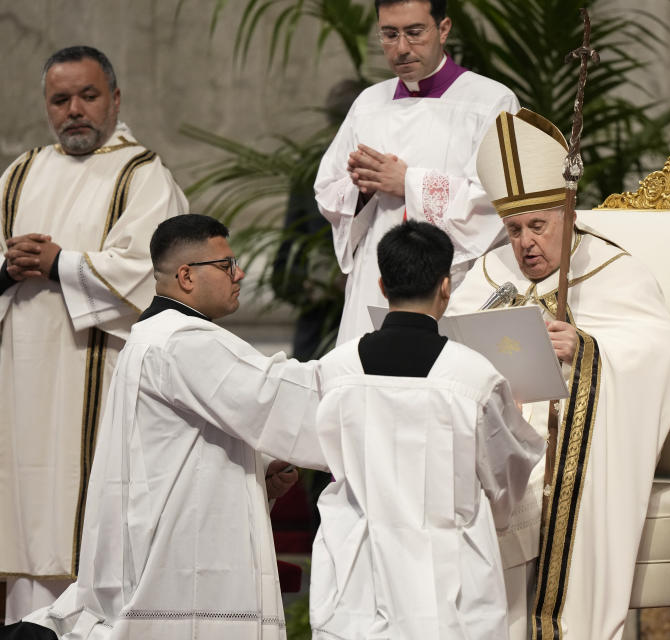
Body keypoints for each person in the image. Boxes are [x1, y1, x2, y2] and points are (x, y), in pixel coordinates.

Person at [11, 214, 326, 640]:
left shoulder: (151, 335)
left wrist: (261, 468)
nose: (241, 273)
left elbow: (185, 449)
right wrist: (375, 364)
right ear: (186, 276)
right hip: (179, 567)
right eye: (227, 264)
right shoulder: (185, 341)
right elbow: (280, 398)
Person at [447, 109, 670, 640]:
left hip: (577, 454)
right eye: (514, 229)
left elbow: (664, 353)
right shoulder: (489, 274)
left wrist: (588, 350)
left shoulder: (612, 269)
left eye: (538, 225)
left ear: (569, 209)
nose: (525, 243)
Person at [0, 45, 187, 623]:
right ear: (47, 106)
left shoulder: (143, 174)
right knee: (25, 531)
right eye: (61, 100)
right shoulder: (20, 172)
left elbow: (153, 274)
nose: (74, 110)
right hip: (20, 376)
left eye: (88, 96)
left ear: (115, 99)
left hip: (97, 370)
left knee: (89, 529)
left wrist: (60, 264)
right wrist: (8, 266)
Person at [308, 220, 544, 639]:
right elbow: (506, 477)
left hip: (359, 570)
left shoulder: (333, 370)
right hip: (450, 580)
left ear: (382, 285)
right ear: (445, 286)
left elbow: (319, 457)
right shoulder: (474, 378)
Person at [313, 0, 519, 345]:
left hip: (450, 283)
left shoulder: (491, 102)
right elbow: (326, 191)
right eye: (389, 35)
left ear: (444, 28)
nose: (402, 48)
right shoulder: (368, 104)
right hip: (374, 282)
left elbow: (497, 202)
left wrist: (408, 183)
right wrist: (361, 190)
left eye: (414, 32)